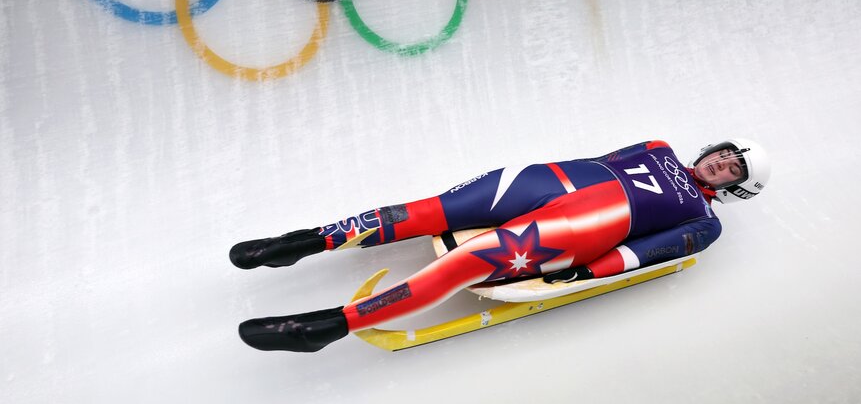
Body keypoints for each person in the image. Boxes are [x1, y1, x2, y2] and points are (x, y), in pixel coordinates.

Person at [230, 139, 770, 352]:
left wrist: (585, 274)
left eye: (733, 169)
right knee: (428, 210)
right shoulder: (659, 145)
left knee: (470, 260)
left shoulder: (704, 221)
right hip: (549, 179)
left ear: (733, 188)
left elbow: (641, 255)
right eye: (726, 154)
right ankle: (302, 241)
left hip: (591, 225)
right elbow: (604, 158)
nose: (722, 163)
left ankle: (329, 325)